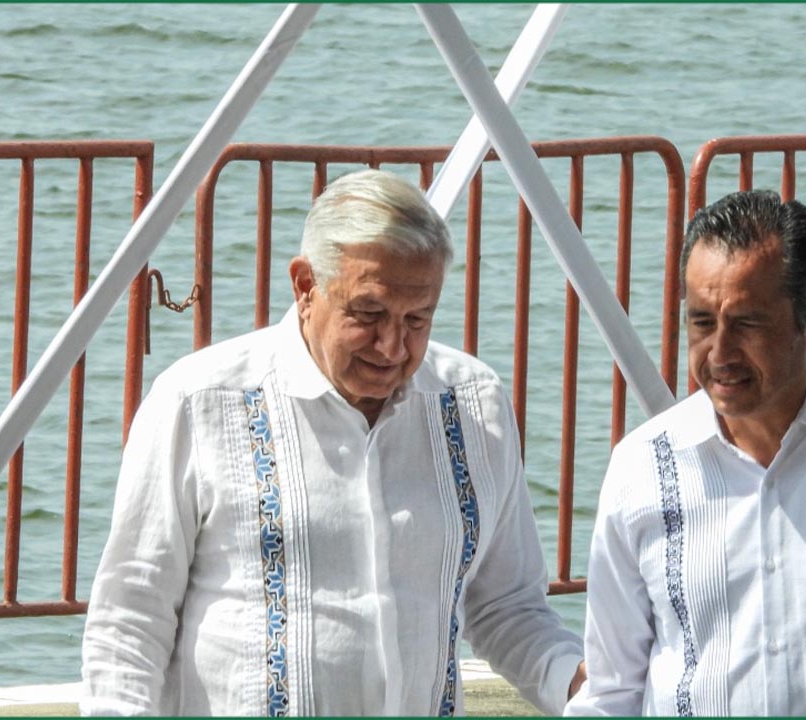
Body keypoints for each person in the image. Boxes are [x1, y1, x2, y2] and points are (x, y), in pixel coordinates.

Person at [79, 169, 585, 716]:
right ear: (305, 286)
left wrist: (589, 689)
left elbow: (507, 607)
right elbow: (131, 618)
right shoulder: (198, 401)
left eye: (418, 319)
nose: (392, 346)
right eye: (368, 314)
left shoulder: (473, 403)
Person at [565, 190, 806, 716]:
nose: (719, 352)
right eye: (701, 322)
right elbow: (611, 692)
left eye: (747, 324)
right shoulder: (640, 467)